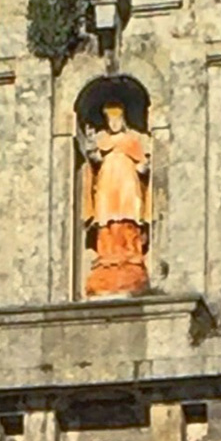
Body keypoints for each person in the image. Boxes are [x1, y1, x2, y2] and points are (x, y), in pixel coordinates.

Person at [82, 99, 152, 295]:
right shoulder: (103, 141)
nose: (114, 124)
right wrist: (90, 145)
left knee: (128, 215)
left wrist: (143, 166)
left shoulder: (131, 141)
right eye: (110, 121)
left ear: (123, 120)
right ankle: (107, 254)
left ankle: (131, 252)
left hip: (127, 182)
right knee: (106, 217)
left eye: (117, 120)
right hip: (107, 182)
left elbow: (142, 163)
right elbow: (95, 159)